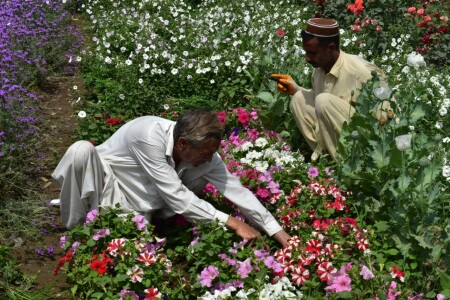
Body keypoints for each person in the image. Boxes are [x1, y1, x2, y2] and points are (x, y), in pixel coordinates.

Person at [52, 108, 291, 247]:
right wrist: (233, 222)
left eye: (213, 153)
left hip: (142, 205)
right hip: (108, 188)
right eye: (205, 153)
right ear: (183, 143)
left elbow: (235, 190)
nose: (210, 160)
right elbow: (176, 197)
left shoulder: (206, 154)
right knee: (80, 150)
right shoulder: (146, 136)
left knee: (132, 242)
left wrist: (277, 233)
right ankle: (76, 231)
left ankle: (140, 224)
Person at [271, 18, 391, 161]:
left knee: (323, 100)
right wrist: (296, 89)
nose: (307, 58)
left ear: (331, 47)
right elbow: (324, 105)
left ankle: (349, 168)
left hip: (367, 146)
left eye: (312, 52)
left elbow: (388, 119)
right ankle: (326, 161)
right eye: (306, 52)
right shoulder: (320, 68)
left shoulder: (362, 73)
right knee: (298, 99)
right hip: (343, 134)